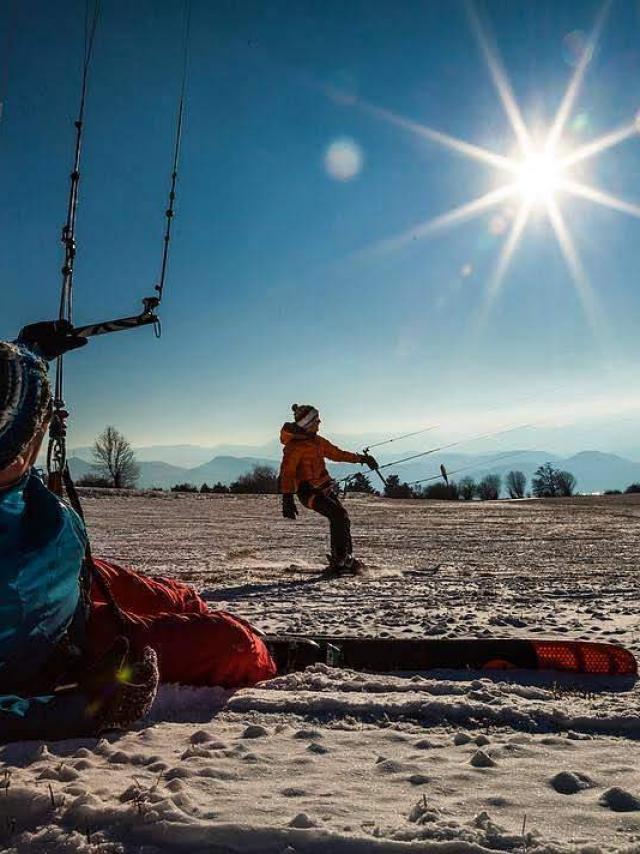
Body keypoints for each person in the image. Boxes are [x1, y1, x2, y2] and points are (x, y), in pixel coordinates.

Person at [0, 323, 276, 742]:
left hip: (76, 576)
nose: (40, 436)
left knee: (179, 596)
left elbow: (9, 386)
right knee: (233, 643)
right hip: (65, 641)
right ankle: (269, 663)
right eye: (36, 427)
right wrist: (87, 708)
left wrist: (31, 351)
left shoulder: (12, 472)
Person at [279, 403, 378, 572]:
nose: (320, 422)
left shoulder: (317, 442)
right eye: (316, 419)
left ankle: (346, 558)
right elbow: (286, 473)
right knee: (338, 515)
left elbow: (337, 454)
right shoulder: (294, 447)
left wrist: (362, 459)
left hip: (324, 488)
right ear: (308, 423)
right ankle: (340, 560)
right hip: (308, 492)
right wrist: (287, 498)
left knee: (343, 517)